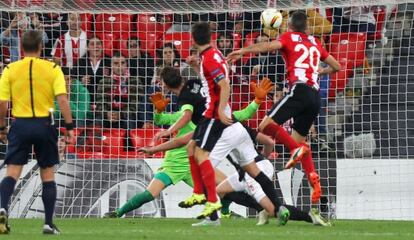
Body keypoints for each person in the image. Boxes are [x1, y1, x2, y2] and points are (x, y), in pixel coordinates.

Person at [227, 11, 341, 204]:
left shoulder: (288, 37)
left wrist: (243, 51)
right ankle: (314, 179)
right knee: (299, 144)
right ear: (306, 27)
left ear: (289, 26)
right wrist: (321, 71)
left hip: (299, 90)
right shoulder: (315, 42)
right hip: (315, 97)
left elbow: (269, 46)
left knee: (265, 125)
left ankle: (297, 153)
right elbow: (336, 66)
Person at [0, 30, 75, 235]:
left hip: (20, 124)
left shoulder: (10, 69)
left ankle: (2, 208)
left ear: (22, 48)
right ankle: (48, 223)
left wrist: (1, 127)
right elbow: (62, 100)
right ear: (41, 47)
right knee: (47, 174)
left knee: (13, 172)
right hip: (44, 125)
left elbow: (2, 103)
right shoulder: (52, 68)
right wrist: (69, 128)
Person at [95, 51, 148, 129]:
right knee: (98, 120)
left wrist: (121, 114)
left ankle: (128, 141)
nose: (120, 66)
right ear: (111, 65)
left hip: (127, 115)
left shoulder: (135, 81)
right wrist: (107, 114)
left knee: (129, 120)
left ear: (126, 64)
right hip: (108, 115)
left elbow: (136, 106)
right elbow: (100, 104)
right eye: (116, 63)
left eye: (123, 63)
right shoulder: (103, 82)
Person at [71, 36, 110, 104]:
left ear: (102, 46)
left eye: (98, 43)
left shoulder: (109, 61)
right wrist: (81, 80)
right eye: (92, 44)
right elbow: (72, 79)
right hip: (85, 100)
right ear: (88, 48)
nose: (96, 46)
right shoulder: (80, 62)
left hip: (106, 99)